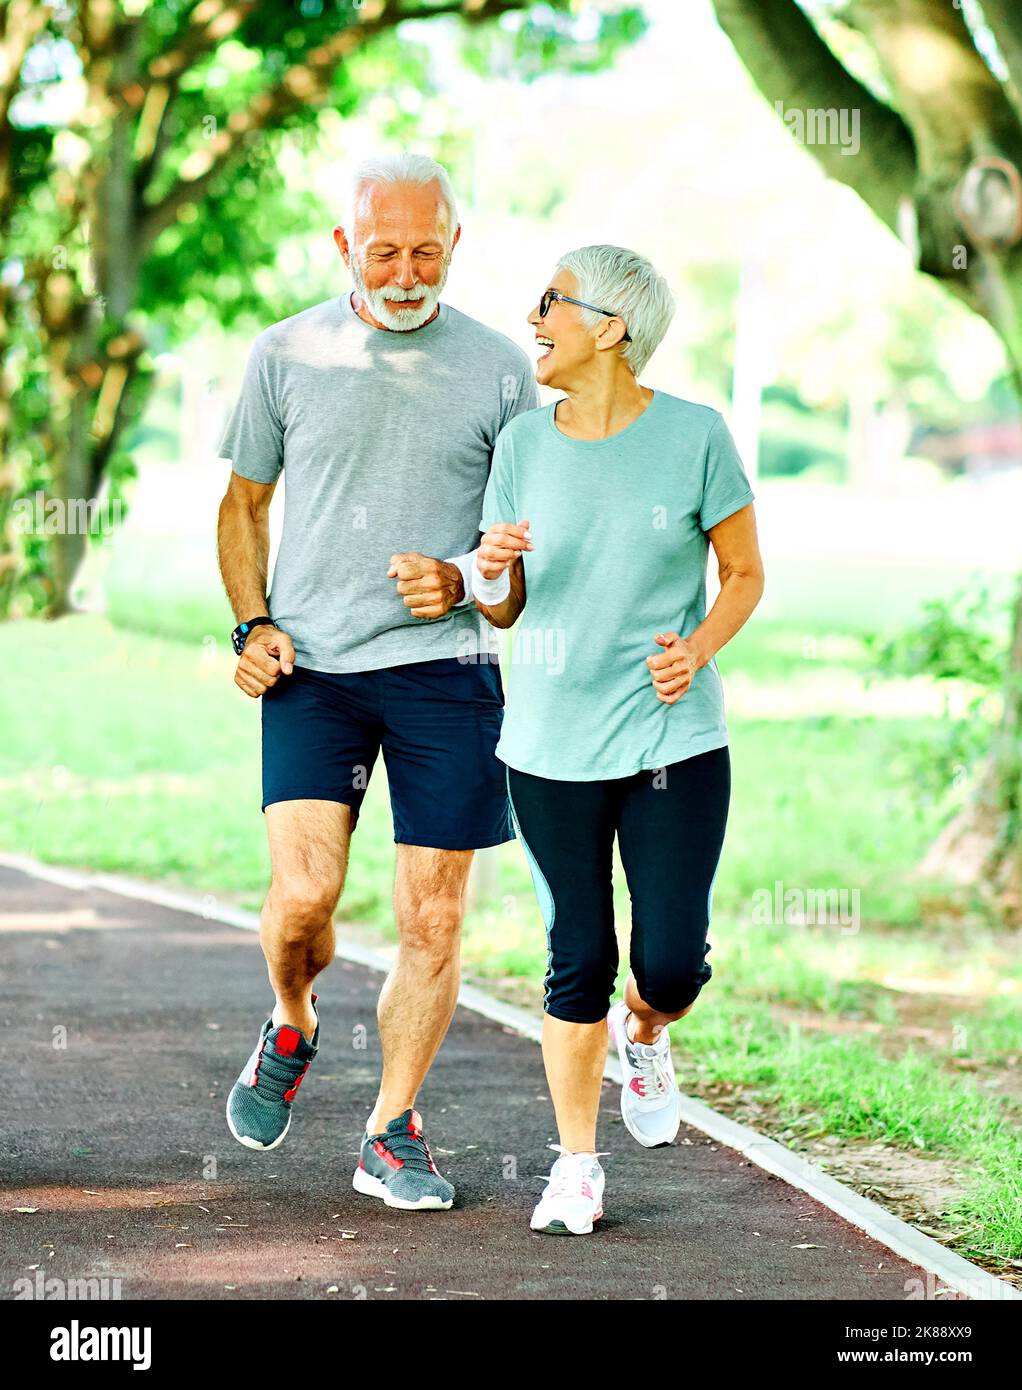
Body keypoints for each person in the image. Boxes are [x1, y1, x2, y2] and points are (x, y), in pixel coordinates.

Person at [215, 152, 539, 1211]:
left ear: (455, 247)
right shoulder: (287, 353)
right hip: (315, 668)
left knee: (433, 920)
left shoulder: (499, 370)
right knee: (305, 894)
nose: (405, 272)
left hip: (448, 674)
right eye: (384, 250)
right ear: (344, 247)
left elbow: (517, 562)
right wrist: (251, 623)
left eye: (426, 250)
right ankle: (291, 1017)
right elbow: (245, 505)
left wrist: (463, 578)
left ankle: (389, 1128)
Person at [472, 245, 765, 1234]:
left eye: (549, 302)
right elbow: (504, 609)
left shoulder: (694, 437)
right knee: (576, 951)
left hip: (670, 738)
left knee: (671, 960)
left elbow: (742, 574)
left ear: (608, 326)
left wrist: (698, 647)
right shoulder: (521, 443)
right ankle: (575, 1165)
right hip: (547, 741)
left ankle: (647, 1030)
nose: (533, 316)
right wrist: (492, 569)